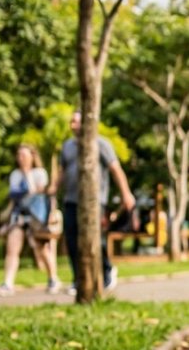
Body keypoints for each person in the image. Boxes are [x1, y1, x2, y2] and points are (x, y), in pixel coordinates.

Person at [53, 111, 135, 294]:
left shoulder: (101, 144)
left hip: (94, 201)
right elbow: (62, 171)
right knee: (72, 239)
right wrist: (53, 188)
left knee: (96, 238)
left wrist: (126, 194)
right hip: (71, 200)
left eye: (76, 121)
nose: (72, 125)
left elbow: (116, 170)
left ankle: (106, 271)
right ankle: (78, 279)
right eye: (71, 121)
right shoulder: (67, 146)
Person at [0, 144, 60, 296]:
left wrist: (27, 173)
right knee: (12, 247)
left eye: (24, 155)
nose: (20, 158)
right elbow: (15, 196)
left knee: (40, 248)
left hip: (36, 216)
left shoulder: (40, 173)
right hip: (19, 215)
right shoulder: (15, 175)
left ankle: (53, 279)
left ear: (32, 156)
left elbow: (35, 191)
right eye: (19, 155)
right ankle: (8, 283)